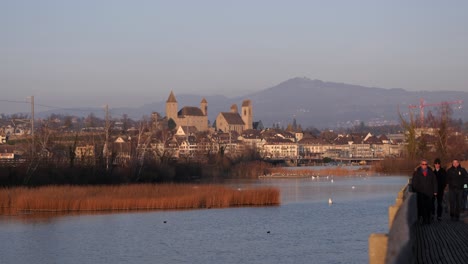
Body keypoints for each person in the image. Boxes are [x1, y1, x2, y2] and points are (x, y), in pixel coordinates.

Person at [412, 159, 438, 224]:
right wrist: (416, 190)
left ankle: (428, 219)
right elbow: (414, 183)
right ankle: (424, 219)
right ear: (421, 165)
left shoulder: (431, 173)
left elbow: (434, 182)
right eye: (423, 164)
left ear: (427, 165)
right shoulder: (417, 173)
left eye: (425, 164)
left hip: (429, 192)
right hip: (421, 192)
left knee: (429, 206)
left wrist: (435, 191)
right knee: (422, 206)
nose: (424, 165)